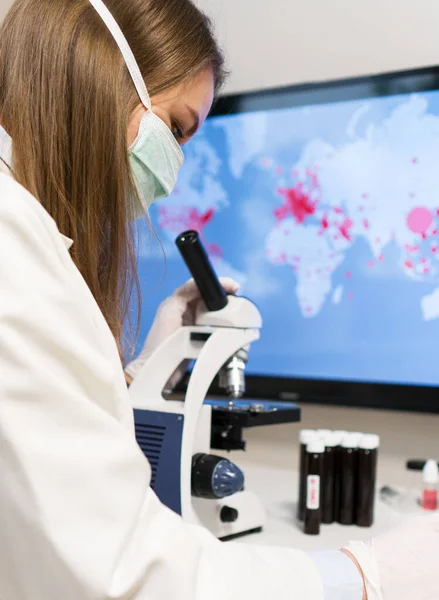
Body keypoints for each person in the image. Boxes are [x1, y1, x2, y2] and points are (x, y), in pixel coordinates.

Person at [0, 0, 437, 599]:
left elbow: (45, 457)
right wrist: (366, 577)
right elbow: (124, 573)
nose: (173, 166)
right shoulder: (11, 242)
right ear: (100, 72)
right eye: (175, 128)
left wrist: (138, 374)